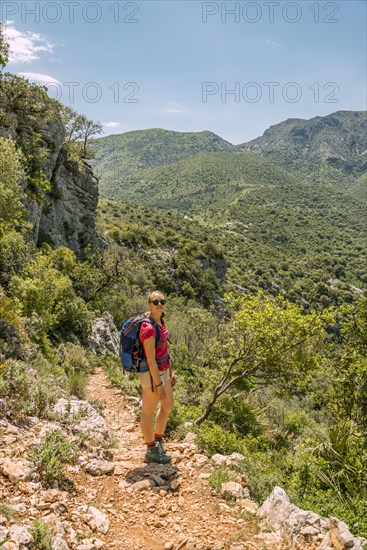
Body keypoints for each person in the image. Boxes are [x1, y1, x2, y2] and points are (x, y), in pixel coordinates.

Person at [138, 291, 176, 464]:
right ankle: (151, 450)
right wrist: (159, 384)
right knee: (147, 413)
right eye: (155, 301)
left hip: (164, 370)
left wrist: (171, 371)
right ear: (149, 304)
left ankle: (158, 440)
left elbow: (165, 349)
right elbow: (151, 360)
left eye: (162, 301)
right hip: (153, 374)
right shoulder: (148, 328)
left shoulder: (160, 320)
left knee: (168, 405)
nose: (159, 303)